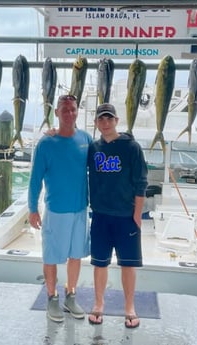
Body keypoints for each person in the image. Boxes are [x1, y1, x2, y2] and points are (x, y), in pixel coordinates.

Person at [28, 94, 92, 323]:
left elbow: (102, 165)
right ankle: (52, 298)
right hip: (55, 211)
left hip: (80, 210)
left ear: (77, 111)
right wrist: (32, 208)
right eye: (64, 109)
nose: (69, 113)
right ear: (56, 113)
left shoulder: (86, 139)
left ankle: (71, 296)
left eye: (73, 109)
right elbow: (35, 180)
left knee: (76, 256)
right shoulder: (46, 143)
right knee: (52, 257)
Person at [87, 103, 148, 328]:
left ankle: (129, 307)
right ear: (96, 123)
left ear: (116, 120)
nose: (105, 122)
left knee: (128, 265)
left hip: (126, 216)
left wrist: (137, 215)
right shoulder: (93, 148)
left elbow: (141, 183)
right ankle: (98, 304)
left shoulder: (132, 147)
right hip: (101, 215)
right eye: (101, 119)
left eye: (109, 118)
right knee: (99, 264)